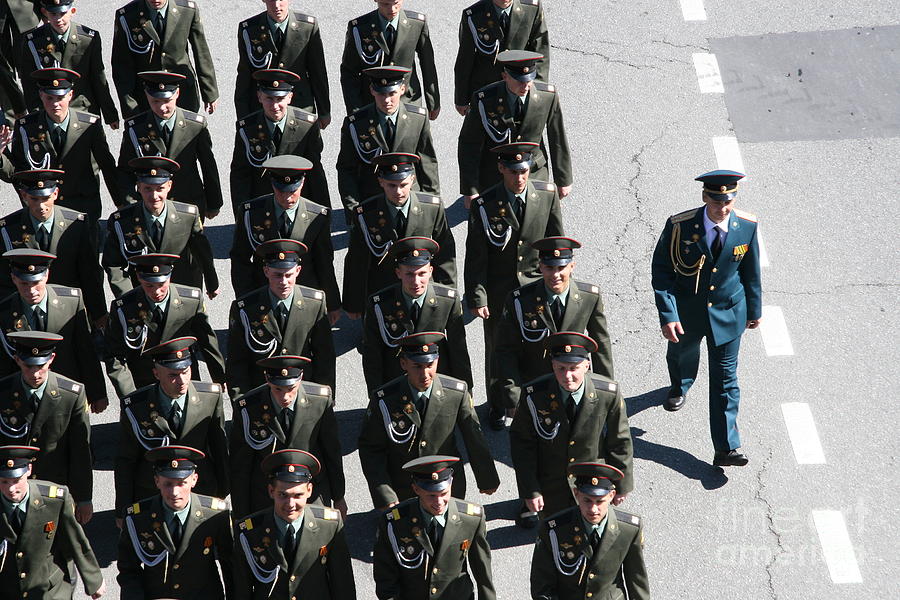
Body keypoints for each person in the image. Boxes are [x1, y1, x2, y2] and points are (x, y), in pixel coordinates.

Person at [651, 169, 761, 467]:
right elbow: (662, 272)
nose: (722, 209)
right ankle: (680, 384)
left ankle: (727, 447)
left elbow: (750, 271)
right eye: (716, 203)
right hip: (687, 312)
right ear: (704, 197)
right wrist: (668, 314)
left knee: (726, 380)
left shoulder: (746, 226)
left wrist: (754, 309)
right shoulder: (680, 226)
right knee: (682, 353)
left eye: (727, 202)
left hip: (728, 313)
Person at [464, 142, 563, 429]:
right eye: (512, 171)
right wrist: (478, 295)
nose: (519, 177)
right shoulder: (486, 204)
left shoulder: (546, 195)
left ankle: (538, 400)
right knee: (497, 347)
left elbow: (556, 241)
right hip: (499, 290)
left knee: (539, 345)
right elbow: (477, 255)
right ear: (501, 169)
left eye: (524, 170)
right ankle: (498, 403)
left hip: (537, 286)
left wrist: (558, 284)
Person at [358, 332, 499, 510]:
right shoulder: (385, 399)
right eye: (417, 366)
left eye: (429, 365)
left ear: (437, 361)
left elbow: (474, 437)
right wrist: (384, 493)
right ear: (403, 364)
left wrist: (486, 478)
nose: (425, 373)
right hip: (403, 487)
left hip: (445, 485)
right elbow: (371, 448)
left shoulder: (456, 392)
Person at [509, 332, 633, 527]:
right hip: (551, 485)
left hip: (593, 485)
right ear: (552, 365)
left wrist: (622, 485)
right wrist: (530, 490)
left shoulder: (607, 393)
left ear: (587, 365)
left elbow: (620, 440)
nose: (567, 376)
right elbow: (522, 442)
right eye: (561, 368)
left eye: (574, 368)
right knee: (556, 535)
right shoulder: (535, 394)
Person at [494, 236, 613, 415]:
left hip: (573, 379)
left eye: (561, 268)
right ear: (540, 267)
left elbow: (601, 344)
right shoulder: (520, 299)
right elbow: (505, 349)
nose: (555, 275)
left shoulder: (589, 297)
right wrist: (513, 395)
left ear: (572, 266)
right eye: (549, 268)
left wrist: (604, 391)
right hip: (535, 383)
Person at [114, 336, 228, 519]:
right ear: (156, 374)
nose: (182, 380)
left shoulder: (210, 397)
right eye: (173, 375)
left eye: (186, 371)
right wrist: (123, 508)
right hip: (152, 492)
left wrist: (223, 491)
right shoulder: (136, 406)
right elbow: (126, 460)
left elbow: (219, 448)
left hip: (199, 489)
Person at [229, 354, 346, 520]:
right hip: (267, 497)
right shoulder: (248, 408)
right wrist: (241, 513)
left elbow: (331, 451)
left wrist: (339, 497)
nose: (285, 397)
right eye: (277, 389)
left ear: (301, 378)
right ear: (267, 380)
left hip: (311, 493)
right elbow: (240, 466)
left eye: (291, 389)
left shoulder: (319, 401)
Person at [0, 68, 123, 222]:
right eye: (49, 98)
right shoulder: (26, 127)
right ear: (41, 96)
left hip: (83, 207)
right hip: (44, 209)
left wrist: (121, 203)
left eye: (60, 97)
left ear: (70, 95)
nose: (55, 104)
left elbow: (107, 165)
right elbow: (16, 172)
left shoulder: (89, 125)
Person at [342, 152, 455, 317]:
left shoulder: (432, 208)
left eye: (403, 184)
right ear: (381, 182)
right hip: (381, 290)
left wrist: (446, 294)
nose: (398, 192)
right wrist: (353, 304)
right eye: (391, 185)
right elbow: (356, 260)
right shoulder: (366, 214)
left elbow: (445, 253)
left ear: (412, 180)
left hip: (420, 288)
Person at [233, 449, 356, 599]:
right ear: (271, 491)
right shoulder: (248, 532)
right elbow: (241, 590)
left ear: (309, 490)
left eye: (298, 495)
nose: (290, 504)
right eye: (283, 495)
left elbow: (343, 585)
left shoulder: (330, 525)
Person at [229, 154, 340, 317]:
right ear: (272, 185)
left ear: (302, 183)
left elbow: (324, 262)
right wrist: (247, 298)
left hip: (304, 297)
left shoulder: (318, 216)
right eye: (281, 191)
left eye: (293, 191)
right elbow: (240, 258)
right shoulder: (251, 213)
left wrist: (332, 303)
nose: (287, 197)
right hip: (264, 295)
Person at [0, 331, 93, 523]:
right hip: (11, 489)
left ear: (51, 359)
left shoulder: (71, 395)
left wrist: (83, 498)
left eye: (40, 366)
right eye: (28, 366)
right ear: (17, 360)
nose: (35, 373)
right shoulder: (3, 392)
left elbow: (80, 451)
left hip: (54, 488)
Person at [372, 455, 495, 600]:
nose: (439, 502)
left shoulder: (471, 518)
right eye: (431, 495)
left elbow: (483, 572)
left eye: (444, 494)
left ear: (451, 484)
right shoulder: (394, 522)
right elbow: (385, 574)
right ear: (416, 489)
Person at [117, 445, 233, 598]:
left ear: (194, 480)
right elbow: (128, 570)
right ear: (157, 481)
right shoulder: (137, 517)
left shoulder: (216, 515)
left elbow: (231, 566)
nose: (174, 492)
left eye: (181, 483)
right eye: (168, 484)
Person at [104, 253, 225, 399]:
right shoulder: (124, 308)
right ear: (139, 278)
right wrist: (130, 395)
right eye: (149, 285)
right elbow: (114, 356)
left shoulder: (190, 300)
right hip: (145, 382)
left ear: (170, 276)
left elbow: (206, 339)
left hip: (182, 377)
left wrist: (219, 375)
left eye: (161, 285)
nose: (156, 292)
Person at [458, 50, 571, 205]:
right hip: (496, 174)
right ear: (505, 77)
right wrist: (470, 189)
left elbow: (557, 136)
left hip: (533, 171)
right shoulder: (484, 100)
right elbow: (469, 143)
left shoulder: (547, 97)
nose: (525, 86)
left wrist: (563, 179)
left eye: (529, 80)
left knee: (532, 224)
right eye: (519, 81)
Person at [0, 249, 107, 412]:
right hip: (23, 396)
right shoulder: (4, 312)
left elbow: (85, 349)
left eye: (36, 283)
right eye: (24, 284)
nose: (31, 291)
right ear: (14, 279)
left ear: (46, 275)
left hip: (66, 393)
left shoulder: (72, 301)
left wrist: (97, 393)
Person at [226, 239, 335, 398]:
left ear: (298, 271)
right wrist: (240, 400)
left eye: (288, 275)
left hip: (301, 390)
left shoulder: (314, 304)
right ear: (266, 272)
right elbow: (237, 360)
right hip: (261, 392)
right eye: (277, 275)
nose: (283, 282)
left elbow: (324, 355)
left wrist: (324, 398)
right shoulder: (246, 309)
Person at [360, 237, 472, 391]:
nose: (416, 282)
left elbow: (458, 349)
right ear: (398, 273)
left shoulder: (448, 300)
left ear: (431, 271)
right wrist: (376, 393)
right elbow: (372, 354)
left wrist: (466, 389)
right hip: (396, 381)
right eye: (409, 274)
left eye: (421, 274)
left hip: (435, 378)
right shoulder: (380, 304)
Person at [0, 168, 106, 324]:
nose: (41, 206)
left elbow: (89, 274)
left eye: (46, 198)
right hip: (23, 314)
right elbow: (3, 280)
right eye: (34, 199)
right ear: (24, 196)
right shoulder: (8, 229)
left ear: (55, 193)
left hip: (66, 312)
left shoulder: (76, 225)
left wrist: (99, 314)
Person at [102, 156, 218, 299]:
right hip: (142, 292)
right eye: (148, 189)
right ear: (138, 187)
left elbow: (202, 252)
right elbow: (113, 264)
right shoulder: (122, 221)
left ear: (169, 186)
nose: (154, 195)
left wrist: (212, 283)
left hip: (182, 293)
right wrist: (128, 297)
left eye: (160, 188)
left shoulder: (188, 216)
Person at [530, 461, 649, 600]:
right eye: (587, 500)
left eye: (599, 501)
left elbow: (636, 579)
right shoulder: (554, 530)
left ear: (611, 495)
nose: (593, 509)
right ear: (576, 493)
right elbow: (542, 584)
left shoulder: (629, 529)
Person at [0, 445, 106, 598]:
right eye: (4, 482)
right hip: (8, 589)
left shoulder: (54, 500)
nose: (11, 489)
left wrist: (94, 579)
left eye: (17, 480)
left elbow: (75, 539)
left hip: (49, 588)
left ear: (29, 470)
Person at [116, 70, 222, 220]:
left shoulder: (195, 125)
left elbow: (208, 165)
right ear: (147, 96)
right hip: (151, 205)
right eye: (155, 101)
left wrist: (213, 203)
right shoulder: (136, 128)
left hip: (188, 203)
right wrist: (130, 203)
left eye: (167, 101)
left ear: (177, 94)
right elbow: (125, 170)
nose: (162, 108)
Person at [336, 65, 439, 215]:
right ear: (372, 90)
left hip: (408, 195)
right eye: (381, 94)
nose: (387, 100)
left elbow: (427, 161)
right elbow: (346, 168)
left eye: (392, 93)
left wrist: (431, 202)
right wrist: (354, 208)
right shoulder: (357, 124)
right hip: (372, 200)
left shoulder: (418, 118)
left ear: (402, 89)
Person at [229, 68, 329, 212]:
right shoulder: (247, 129)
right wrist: (242, 213)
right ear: (259, 97)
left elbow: (315, 171)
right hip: (262, 206)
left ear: (290, 97)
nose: (275, 106)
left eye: (280, 99)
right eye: (269, 98)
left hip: (296, 204)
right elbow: (240, 174)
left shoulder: (307, 126)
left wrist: (323, 211)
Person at [16, 0, 119, 126]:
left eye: (63, 13)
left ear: (72, 11)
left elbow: (98, 78)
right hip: (50, 109)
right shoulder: (33, 41)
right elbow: (29, 83)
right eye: (53, 14)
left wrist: (110, 115)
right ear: (44, 12)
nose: (58, 19)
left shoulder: (88, 39)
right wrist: (36, 112)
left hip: (82, 109)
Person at [111, 0, 218, 118]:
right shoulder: (127, 16)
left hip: (182, 93)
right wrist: (129, 106)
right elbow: (121, 66)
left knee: (183, 133)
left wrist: (209, 92)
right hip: (146, 96)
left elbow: (201, 52)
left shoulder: (187, 10)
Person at [234, 0, 330, 123]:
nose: (277, 5)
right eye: (271, 0)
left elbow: (318, 72)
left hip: (299, 106)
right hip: (263, 107)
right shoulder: (249, 29)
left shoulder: (307, 27)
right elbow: (244, 76)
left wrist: (324, 111)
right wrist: (243, 117)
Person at [340, 0, 439, 117]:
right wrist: (355, 110)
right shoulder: (360, 28)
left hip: (407, 99)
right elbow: (349, 72)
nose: (392, 9)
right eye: (385, 4)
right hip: (373, 101)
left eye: (396, 3)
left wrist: (433, 102)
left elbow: (428, 65)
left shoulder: (416, 24)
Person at [454, 0, 550, 115]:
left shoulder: (531, 9)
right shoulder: (474, 15)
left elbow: (541, 52)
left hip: (520, 86)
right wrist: (462, 99)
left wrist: (538, 91)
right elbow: (465, 59)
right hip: (486, 91)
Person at [0, 0, 39, 118]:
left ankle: (36, 115)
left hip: (25, 7)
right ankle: (12, 117)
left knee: (29, 63)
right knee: (2, 71)